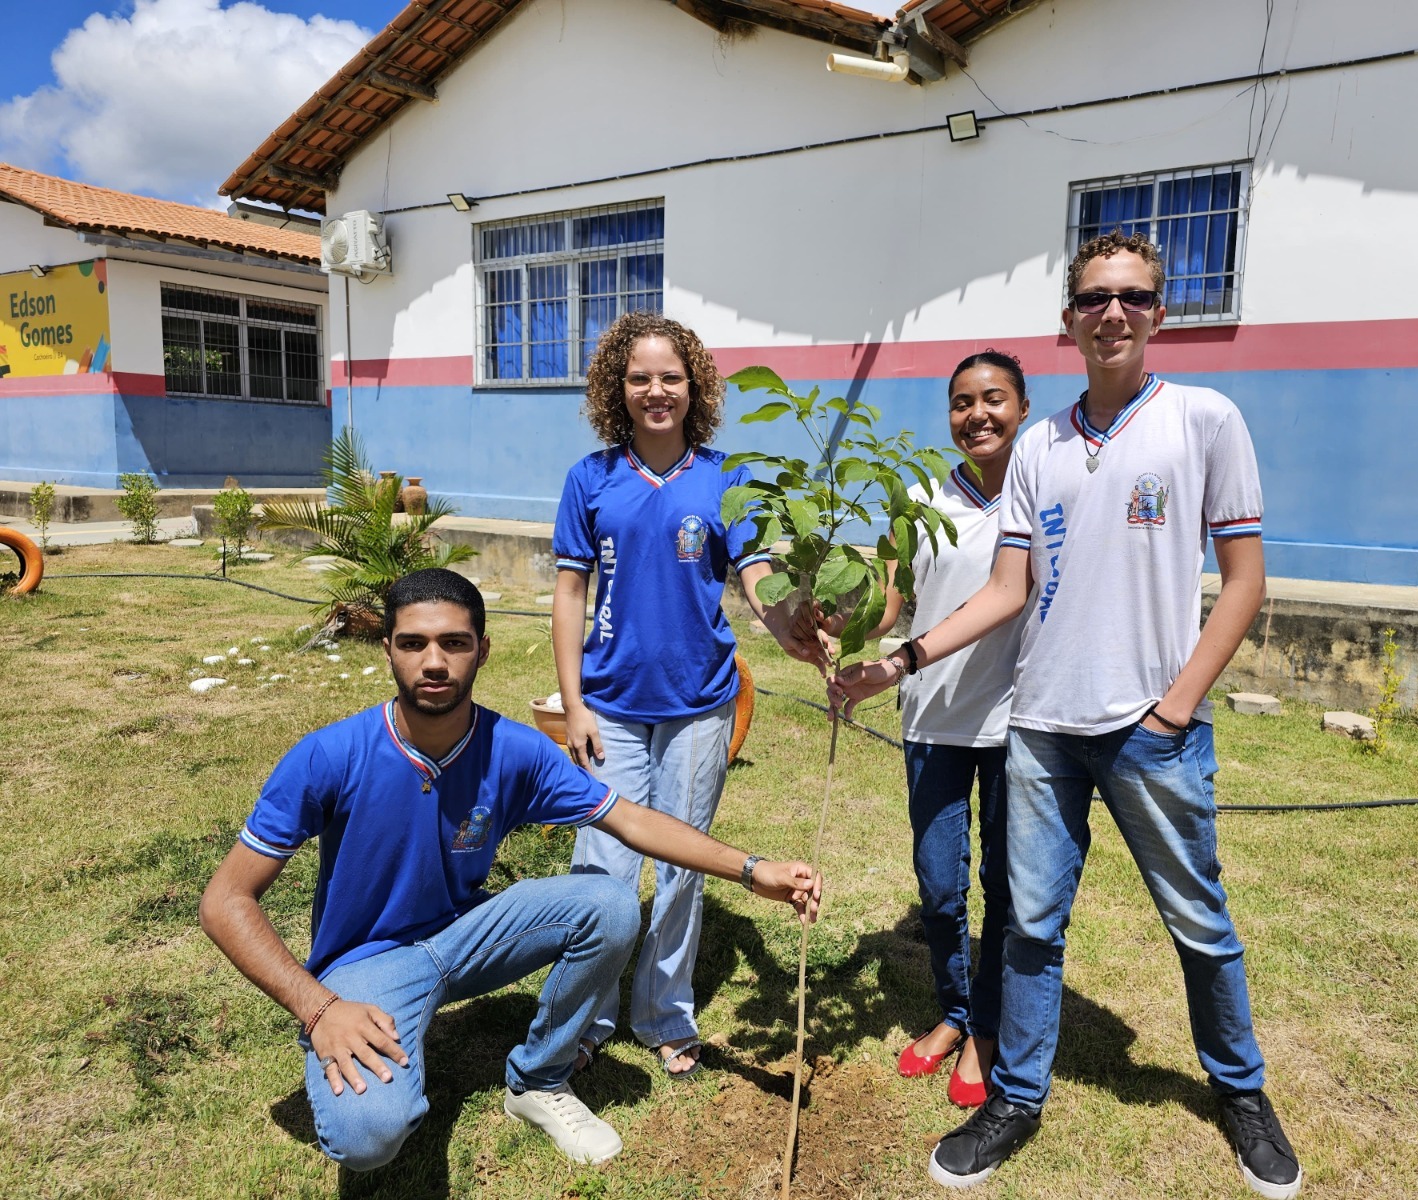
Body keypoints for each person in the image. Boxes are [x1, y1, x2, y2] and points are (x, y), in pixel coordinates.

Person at [832, 231, 1302, 1198]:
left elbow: (1246, 581)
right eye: (1094, 298)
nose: (1113, 313)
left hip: (1147, 730)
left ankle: (1241, 1092)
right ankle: (1016, 1096)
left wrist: (1177, 706)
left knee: (1199, 924)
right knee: (1033, 931)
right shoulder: (1041, 444)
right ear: (1070, 320)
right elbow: (1007, 588)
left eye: (1132, 296)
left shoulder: (1205, 420)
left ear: (1159, 312)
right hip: (1040, 730)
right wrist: (903, 659)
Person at [199, 569, 821, 1171]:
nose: (434, 662)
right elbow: (226, 901)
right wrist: (318, 1007)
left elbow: (630, 820)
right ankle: (374, 1031)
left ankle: (539, 1079)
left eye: (455, 643)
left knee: (607, 903)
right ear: (388, 649)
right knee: (369, 1138)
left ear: (483, 651)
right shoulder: (329, 756)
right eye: (413, 644)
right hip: (368, 966)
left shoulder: (512, 749)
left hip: (467, 936)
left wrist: (751, 868)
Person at [552, 311, 826, 1079]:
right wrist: (574, 703)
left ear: (694, 385)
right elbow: (570, 594)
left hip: (701, 703)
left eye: (670, 376)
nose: (655, 390)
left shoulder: (725, 477)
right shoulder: (591, 479)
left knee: (683, 868)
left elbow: (757, 577)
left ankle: (664, 1012)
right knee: (601, 866)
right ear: (618, 388)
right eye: (639, 377)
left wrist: (792, 625)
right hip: (609, 705)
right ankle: (587, 1014)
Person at [833, 351, 1030, 1109]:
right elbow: (889, 604)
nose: (976, 415)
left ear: (1021, 405)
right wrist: (840, 620)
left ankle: (982, 1028)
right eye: (960, 403)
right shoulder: (918, 499)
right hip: (933, 718)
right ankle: (954, 1013)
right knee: (940, 888)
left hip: (1018, 723)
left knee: (1005, 888)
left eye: (993, 399)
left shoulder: (1043, 491)